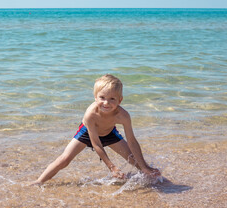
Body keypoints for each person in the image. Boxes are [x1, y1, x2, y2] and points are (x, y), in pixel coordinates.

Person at [31, 74, 161, 184]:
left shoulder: (123, 116)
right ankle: (38, 182)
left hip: (110, 132)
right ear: (95, 97)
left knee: (134, 160)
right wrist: (112, 167)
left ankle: (154, 178)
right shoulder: (91, 114)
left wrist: (144, 166)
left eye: (112, 99)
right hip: (87, 133)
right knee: (64, 160)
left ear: (120, 100)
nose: (106, 103)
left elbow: (132, 141)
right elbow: (96, 143)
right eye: (102, 98)